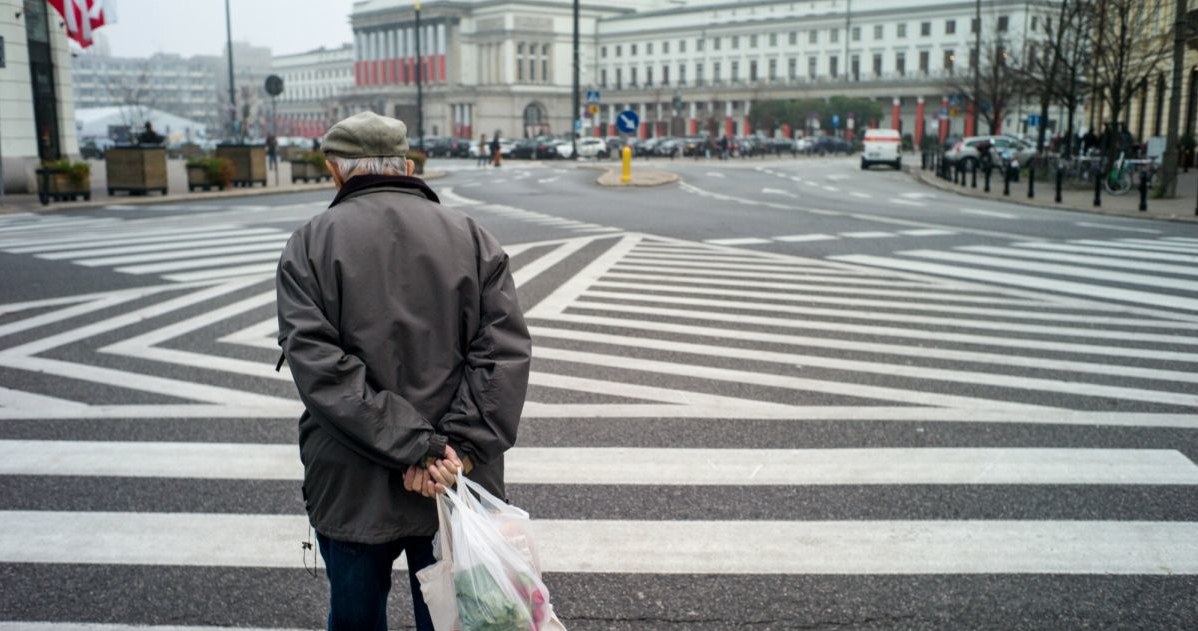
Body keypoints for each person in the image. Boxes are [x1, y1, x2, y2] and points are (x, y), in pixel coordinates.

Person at [276, 111, 532, 631]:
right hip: (453, 479)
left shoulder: (310, 243)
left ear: (336, 170)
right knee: (450, 619)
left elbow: (321, 368)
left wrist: (420, 447)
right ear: (408, 164)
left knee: (355, 619)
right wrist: (448, 451)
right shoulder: (471, 236)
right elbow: (502, 354)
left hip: (352, 477)